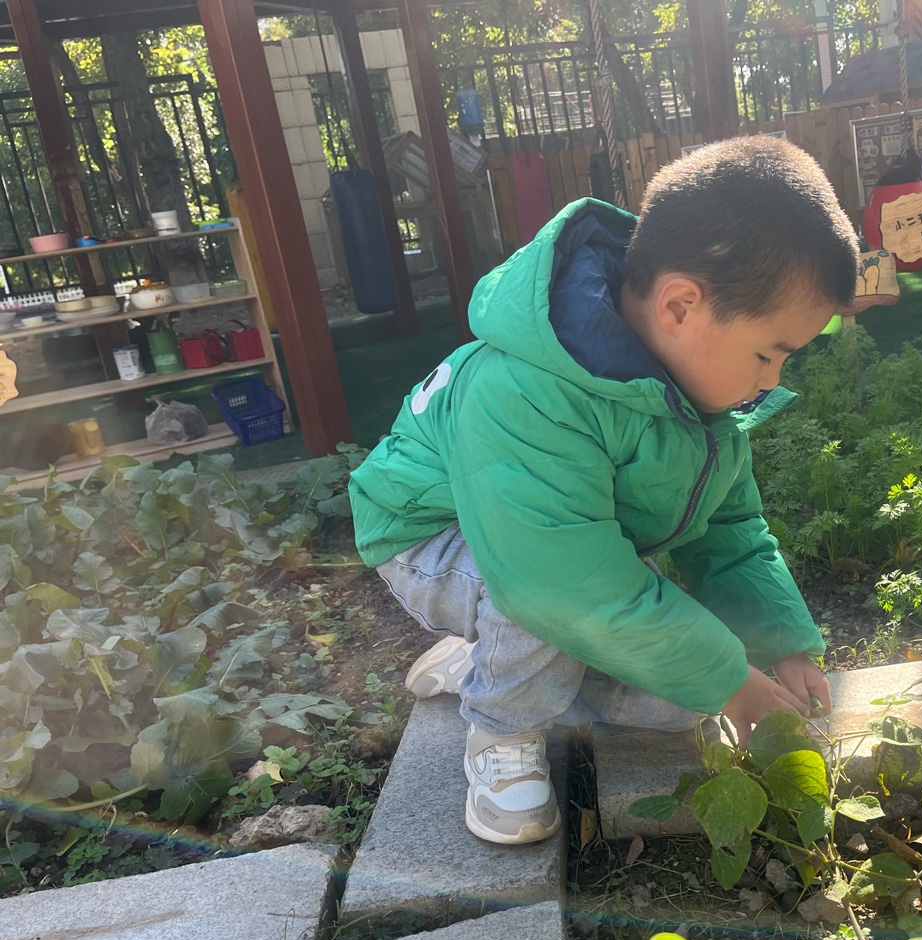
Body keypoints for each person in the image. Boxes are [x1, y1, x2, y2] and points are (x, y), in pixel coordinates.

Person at [349, 136, 859, 846]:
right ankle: (500, 731)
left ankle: (485, 662)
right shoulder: (526, 388)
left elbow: (732, 532)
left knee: (676, 705)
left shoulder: (697, 392)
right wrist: (734, 683)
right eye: (767, 353)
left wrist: (781, 650)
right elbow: (561, 586)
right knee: (550, 608)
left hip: (556, 548)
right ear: (681, 305)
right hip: (429, 535)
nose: (770, 380)